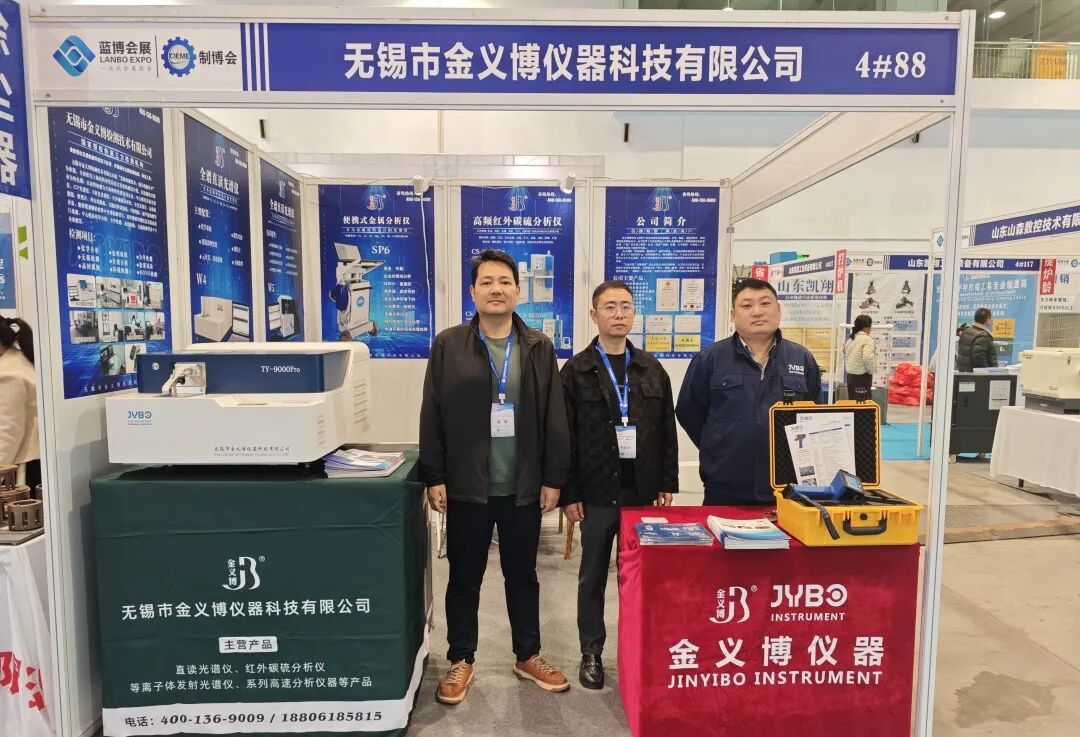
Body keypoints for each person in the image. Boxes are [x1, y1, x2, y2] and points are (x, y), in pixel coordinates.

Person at [419, 249, 571, 705]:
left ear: (519, 291)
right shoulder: (449, 344)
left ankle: (528, 654)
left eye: (504, 281)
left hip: (523, 486)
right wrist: (435, 474)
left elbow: (554, 416)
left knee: (522, 576)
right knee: (464, 577)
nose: (496, 289)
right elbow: (432, 412)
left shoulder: (538, 347)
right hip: (468, 485)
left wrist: (553, 478)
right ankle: (461, 658)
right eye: (486, 282)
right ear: (473, 291)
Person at [560, 280, 678, 690]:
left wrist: (667, 481)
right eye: (609, 307)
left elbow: (666, 430)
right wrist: (570, 492)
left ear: (634, 314)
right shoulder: (576, 371)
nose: (619, 314)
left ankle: (639, 648)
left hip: (641, 491)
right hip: (596, 492)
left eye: (626, 306)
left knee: (640, 576)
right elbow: (564, 437)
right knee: (592, 576)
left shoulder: (651, 368)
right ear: (594, 315)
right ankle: (591, 652)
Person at [676, 278, 821, 506]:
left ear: (778, 309)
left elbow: (814, 415)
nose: (757, 312)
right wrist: (719, 445)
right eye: (747, 305)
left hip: (787, 488)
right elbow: (688, 412)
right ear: (733, 314)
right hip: (724, 485)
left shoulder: (801, 358)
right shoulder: (711, 358)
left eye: (765, 303)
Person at [0, 317, 40, 489]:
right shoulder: (17, 360)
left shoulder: (8, 374)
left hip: (22, 469)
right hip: (27, 463)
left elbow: (7, 433)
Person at [955, 308, 998, 372]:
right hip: (976, 376)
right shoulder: (983, 336)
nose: (992, 320)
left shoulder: (966, 331)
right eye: (991, 318)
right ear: (988, 320)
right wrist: (988, 373)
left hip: (964, 374)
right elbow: (979, 359)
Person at [844, 314, 876, 395]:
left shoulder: (851, 339)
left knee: (852, 400)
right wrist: (871, 371)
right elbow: (868, 357)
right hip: (862, 377)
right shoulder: (867, 340)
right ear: (866, 328)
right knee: (864, 401)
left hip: (850, 376)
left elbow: (845, 352)